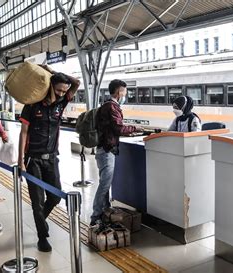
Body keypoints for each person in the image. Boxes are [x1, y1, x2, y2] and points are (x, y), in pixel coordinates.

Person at [18, 65, 79, 252]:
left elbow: (76, 82)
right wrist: (20, 160)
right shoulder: (32, 104)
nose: (62, 93)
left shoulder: (61, 103)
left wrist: (50, 71)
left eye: (64, 90)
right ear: (50, 86)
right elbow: (23, 132)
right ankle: (42, 236)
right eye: (59, 89)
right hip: (33, 159)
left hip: (52, 158)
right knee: (37, 201)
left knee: (54, 196)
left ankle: (39, 220)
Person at [90, 79, 143, 226]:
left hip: (103, 148)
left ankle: (105, 211)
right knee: (105, 185)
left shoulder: (107, 105)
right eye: (124, 91)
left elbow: (111, 128)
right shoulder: (112, 107)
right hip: (107, 150)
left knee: (104, 183)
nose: (126, 94)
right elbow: (118, 128)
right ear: (119, 92)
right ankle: (95, 215)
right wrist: (134, 128)